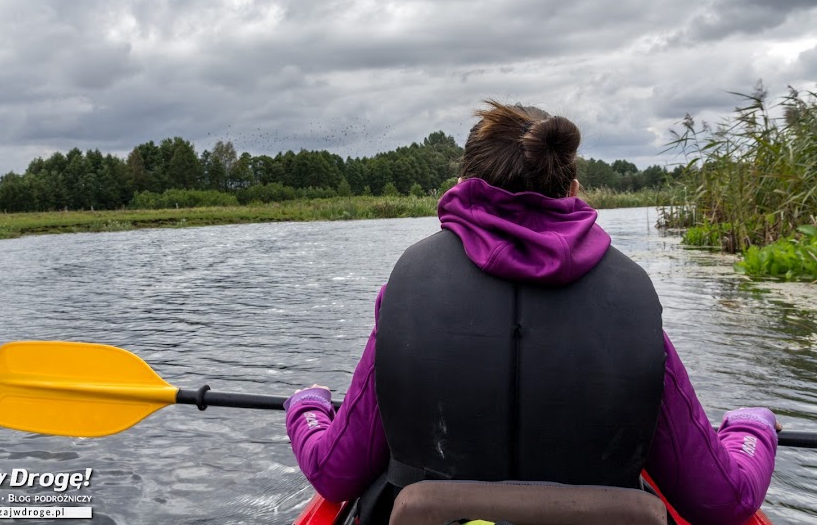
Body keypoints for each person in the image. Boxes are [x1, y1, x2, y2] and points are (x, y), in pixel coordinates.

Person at [284, 100, 779, 525]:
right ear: (573, 188)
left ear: (462, 183)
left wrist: (305, 406)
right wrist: (751, 426)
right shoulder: (630, 292)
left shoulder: (407, 287)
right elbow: (722, 499)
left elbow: (336, 473)